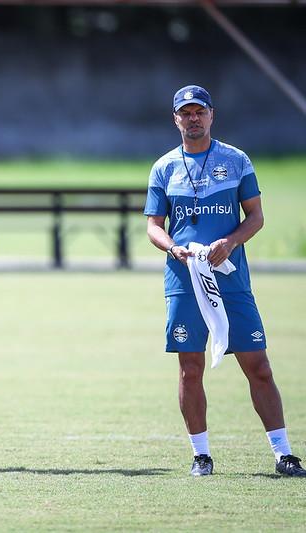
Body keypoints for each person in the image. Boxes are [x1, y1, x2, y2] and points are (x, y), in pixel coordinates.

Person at [144, 84, 305, 477]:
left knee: (259, 365)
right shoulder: (164, 167)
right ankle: (201, 455)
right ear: (175, 119)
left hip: (231, 280)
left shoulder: (236, 161)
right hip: (184, 279)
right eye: (186, 112)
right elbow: (153, 225)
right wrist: (172, 248)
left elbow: (255, 216)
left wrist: (230, 242)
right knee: (189, 368)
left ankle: (283, 453)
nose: (193, 118)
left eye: (200, 111)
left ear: (212, 115)